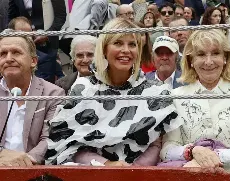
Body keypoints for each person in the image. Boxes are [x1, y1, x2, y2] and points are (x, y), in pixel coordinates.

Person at [45, 18, 182, 166]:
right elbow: (69, 146)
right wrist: (106, 165)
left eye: (132, 44)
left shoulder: (156, 91)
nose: (126, 50)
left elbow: (156, 145)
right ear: (104, 49)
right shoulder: (83, 89)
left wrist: (131, 171)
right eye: (118, 43)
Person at [159, 29, 230, 172]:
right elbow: (167, 150)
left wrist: (210, 158)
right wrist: (193, 151)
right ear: (191, 60)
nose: (208, 61)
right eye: (200, 54)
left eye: (215, 53)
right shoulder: (175, 97)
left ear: (225, 58)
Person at [0, 34, 65, 166]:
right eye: (3, 54)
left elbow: (51, 138)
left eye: (16, 52)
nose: (9, 59)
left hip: (33, 171)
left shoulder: (53, 94)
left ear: (33, 61)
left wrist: (26, 160)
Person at [8, 0, 66, 83]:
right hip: (22, 43)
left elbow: (60, 16)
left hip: (48, 44)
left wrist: (47, 34)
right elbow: (11, 17)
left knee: (50, 78)